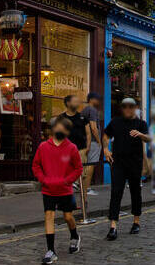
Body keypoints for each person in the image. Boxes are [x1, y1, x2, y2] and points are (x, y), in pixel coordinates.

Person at [32, 116, 83, 263]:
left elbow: (78, 168)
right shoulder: (43, 147)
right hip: (48, 190)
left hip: (65, 190)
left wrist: (67, 181)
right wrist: (43, 179)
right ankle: (51, 251)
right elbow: (36, 166)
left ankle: (75, 236)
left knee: (68, 217)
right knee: (49, 216)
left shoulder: (72, 148)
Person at [104, 97, 150, 240]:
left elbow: (149, 138)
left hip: (135, 163)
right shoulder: (115, 122)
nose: (128, 109)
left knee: (136, 192)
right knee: (116, 192)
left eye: (131, 106)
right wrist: (105, 149)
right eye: (125, 106)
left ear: (135, 108)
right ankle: (113, 226)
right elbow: (105, 135)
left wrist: (141, 134)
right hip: (118, 163)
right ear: (122, 108)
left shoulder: (141, 123)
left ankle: (136, 222)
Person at [59, 95, 93, 194]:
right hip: (66, 149)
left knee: (82, 172)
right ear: (68, 103)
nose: (77, 103)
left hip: (81, 149)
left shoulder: (82, 117)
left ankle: (81, 192)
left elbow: (88, 133)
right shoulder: (62, 117)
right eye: (75, 101)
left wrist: (88, 146)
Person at [80, 92, 103, 196]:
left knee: (85, 164)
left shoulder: (84, 110)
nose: (98, 101)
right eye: (97, 99)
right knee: (91, 165)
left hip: (85, 141)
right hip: (93, 141)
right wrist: (99, 141)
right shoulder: (92, 110)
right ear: (92, 99)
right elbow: (94, 128)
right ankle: (87, 188)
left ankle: (81, 186)